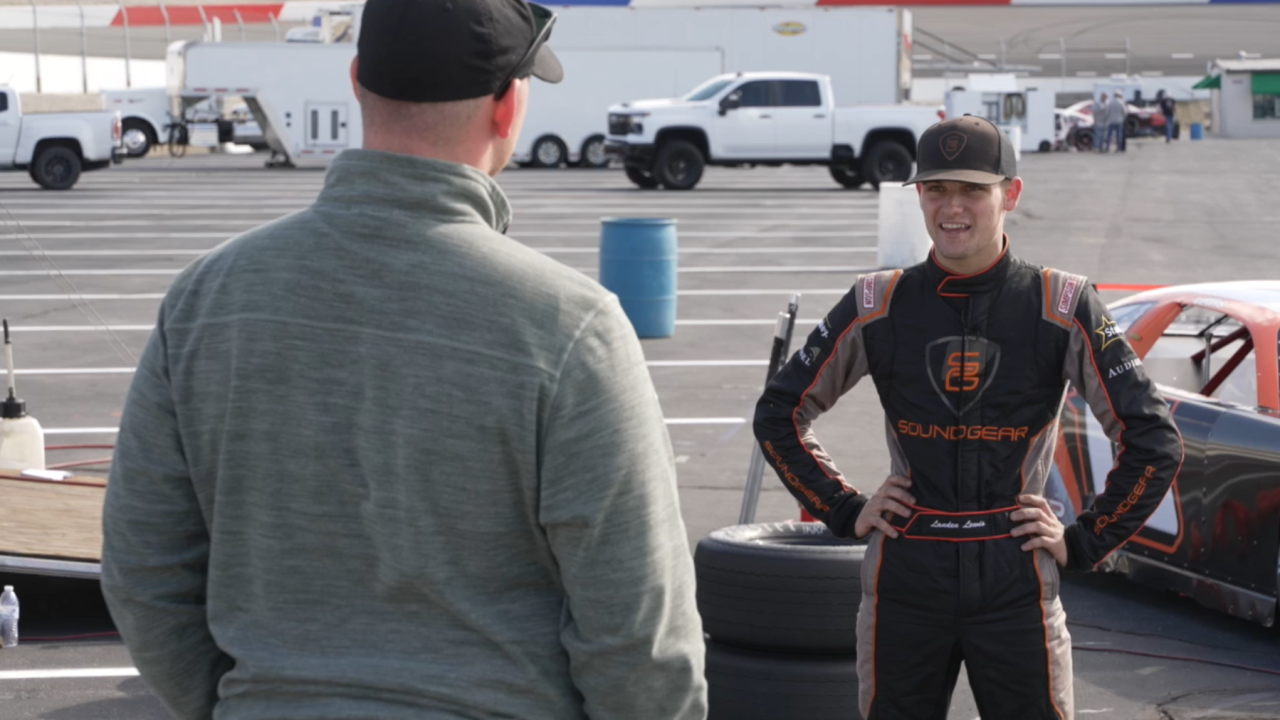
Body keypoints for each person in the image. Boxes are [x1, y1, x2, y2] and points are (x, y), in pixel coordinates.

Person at [100, 1, 707, 718]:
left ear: (357, 82)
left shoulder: (207, 297)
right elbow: (639, 638)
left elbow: (144, 568)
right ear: (507, 108)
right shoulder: (571, 327)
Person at [754, 115, 1182, 720]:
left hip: (1017, 580)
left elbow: (1153, 438)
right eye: (936, 189)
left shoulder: (1062, 302)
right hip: (905, 577)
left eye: (972, 190)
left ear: (1010, 193)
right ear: (920, 196)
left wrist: (1085, 542)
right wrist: (845, 508)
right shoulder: (877, 302)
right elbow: (779, 412)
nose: (952, 208)